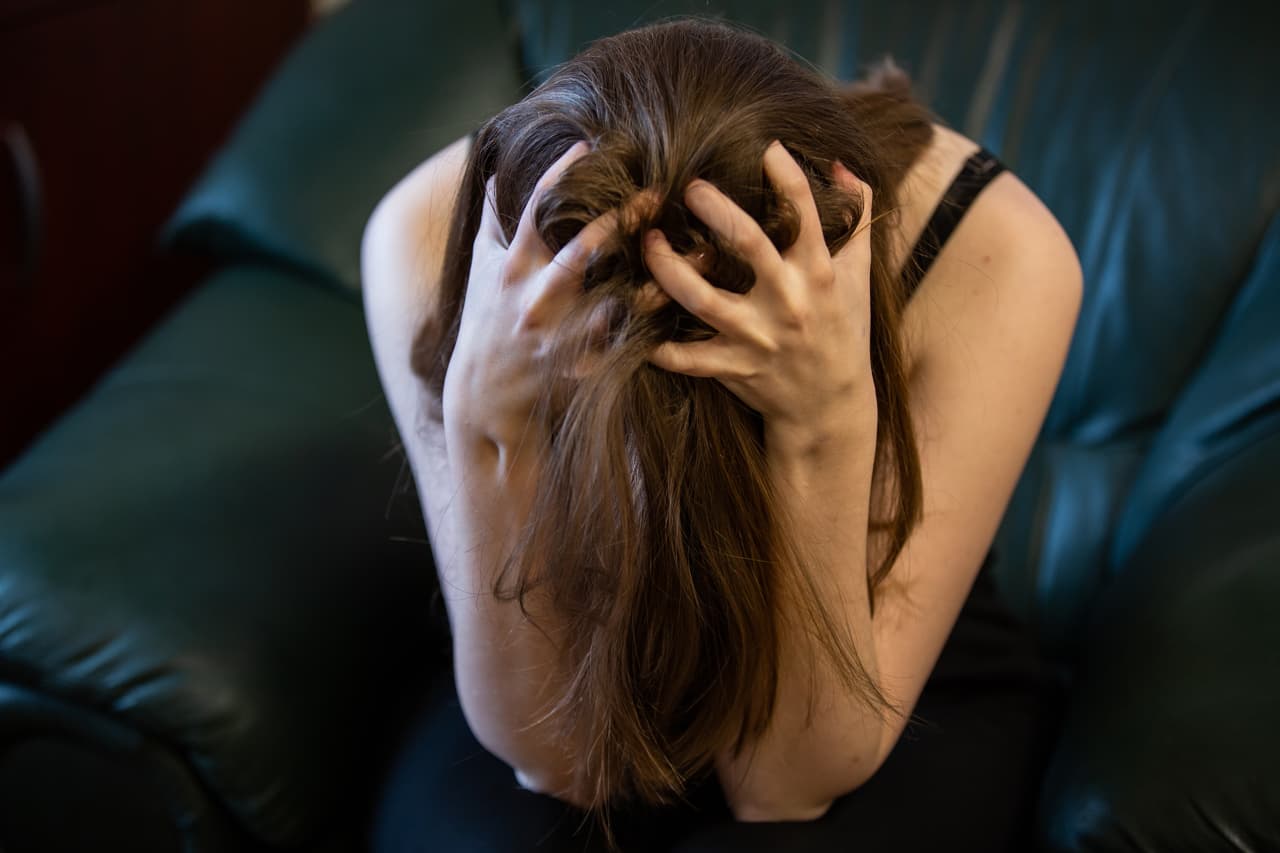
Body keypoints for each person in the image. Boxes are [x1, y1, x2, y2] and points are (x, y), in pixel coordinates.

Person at [361, 14, 1082, 852]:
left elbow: (785, 785)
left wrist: (824, 423)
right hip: (562, 623)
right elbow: (557, 758)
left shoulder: (994, 250)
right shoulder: (424, 235)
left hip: (873, 657)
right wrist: (491, 425)